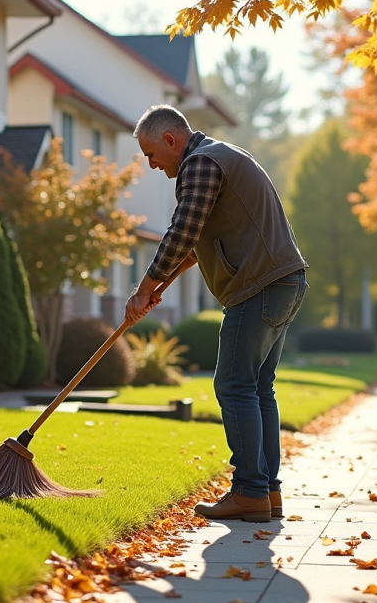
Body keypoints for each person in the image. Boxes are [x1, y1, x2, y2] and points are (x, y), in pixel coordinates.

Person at [125, 105, 307, 524]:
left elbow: (183, 230)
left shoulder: (201, 164)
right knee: (259, 387)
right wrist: (160, 286)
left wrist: (144, 287)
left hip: (259, 285)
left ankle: (248, 491)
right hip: (283, 281)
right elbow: (195, 246)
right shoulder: (219, 156)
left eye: (151, 154)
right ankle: (266, 492)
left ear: (171, 140)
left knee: (234, 384)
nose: (152, 164)